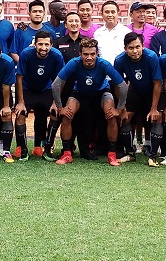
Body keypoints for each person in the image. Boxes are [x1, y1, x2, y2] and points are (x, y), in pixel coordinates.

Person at [52, 38, 127, 166]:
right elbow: (56, 84)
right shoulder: (74, 63)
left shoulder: (104, 64)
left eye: (92, 54)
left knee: (111, 115)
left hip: (101, 91)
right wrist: (60, 107)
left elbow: (123, 86)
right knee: (67, 115)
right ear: (80, 54)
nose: (89, 58)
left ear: (97, 54)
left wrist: (119, 109)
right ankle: (66, 154)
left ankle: (112, 154)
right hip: (80, 92)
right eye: (85, 54)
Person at [114, 32, 164, 165]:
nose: (135, 51)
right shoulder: (119, 60)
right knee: (125, 117)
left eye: (138, 47)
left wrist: (154, 108)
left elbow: (158, 83)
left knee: (157, 117)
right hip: (135, 90)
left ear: (142, 46)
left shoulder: (151, 57)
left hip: (152, 90)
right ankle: (130, 152)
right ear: (125, 49)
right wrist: (122, 108)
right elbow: (118, 85)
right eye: (131, 48)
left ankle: (152, 155)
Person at [14, 30, 65, 160]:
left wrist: (55, 102)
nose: (43, 48)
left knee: (55, 113)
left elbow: (60, 80)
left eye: (47, 44)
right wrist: (20, 102)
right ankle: (23, 149)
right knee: (20, 114)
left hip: (46, 89)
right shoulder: (26, 54)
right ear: (34, 44)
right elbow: (19, 77)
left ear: (51, 45)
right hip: (28, 89)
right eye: (40, 44)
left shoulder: (57, 56)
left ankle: (46, 149)